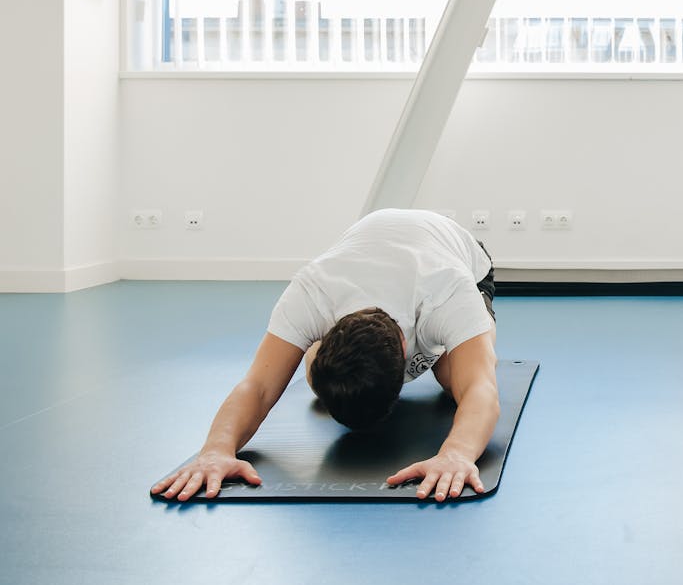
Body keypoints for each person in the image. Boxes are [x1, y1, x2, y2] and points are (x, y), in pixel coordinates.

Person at [151, 208, 500, 502]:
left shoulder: (447, 290)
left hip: (462, 259)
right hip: (370, 254)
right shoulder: (312, 292)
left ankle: (445, 350)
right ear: (327, 332)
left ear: (408, 353)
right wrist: (216, 450)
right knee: (320, 380)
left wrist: (456, 454)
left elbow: (481, 389)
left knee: (453, 379)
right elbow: (257, 385)